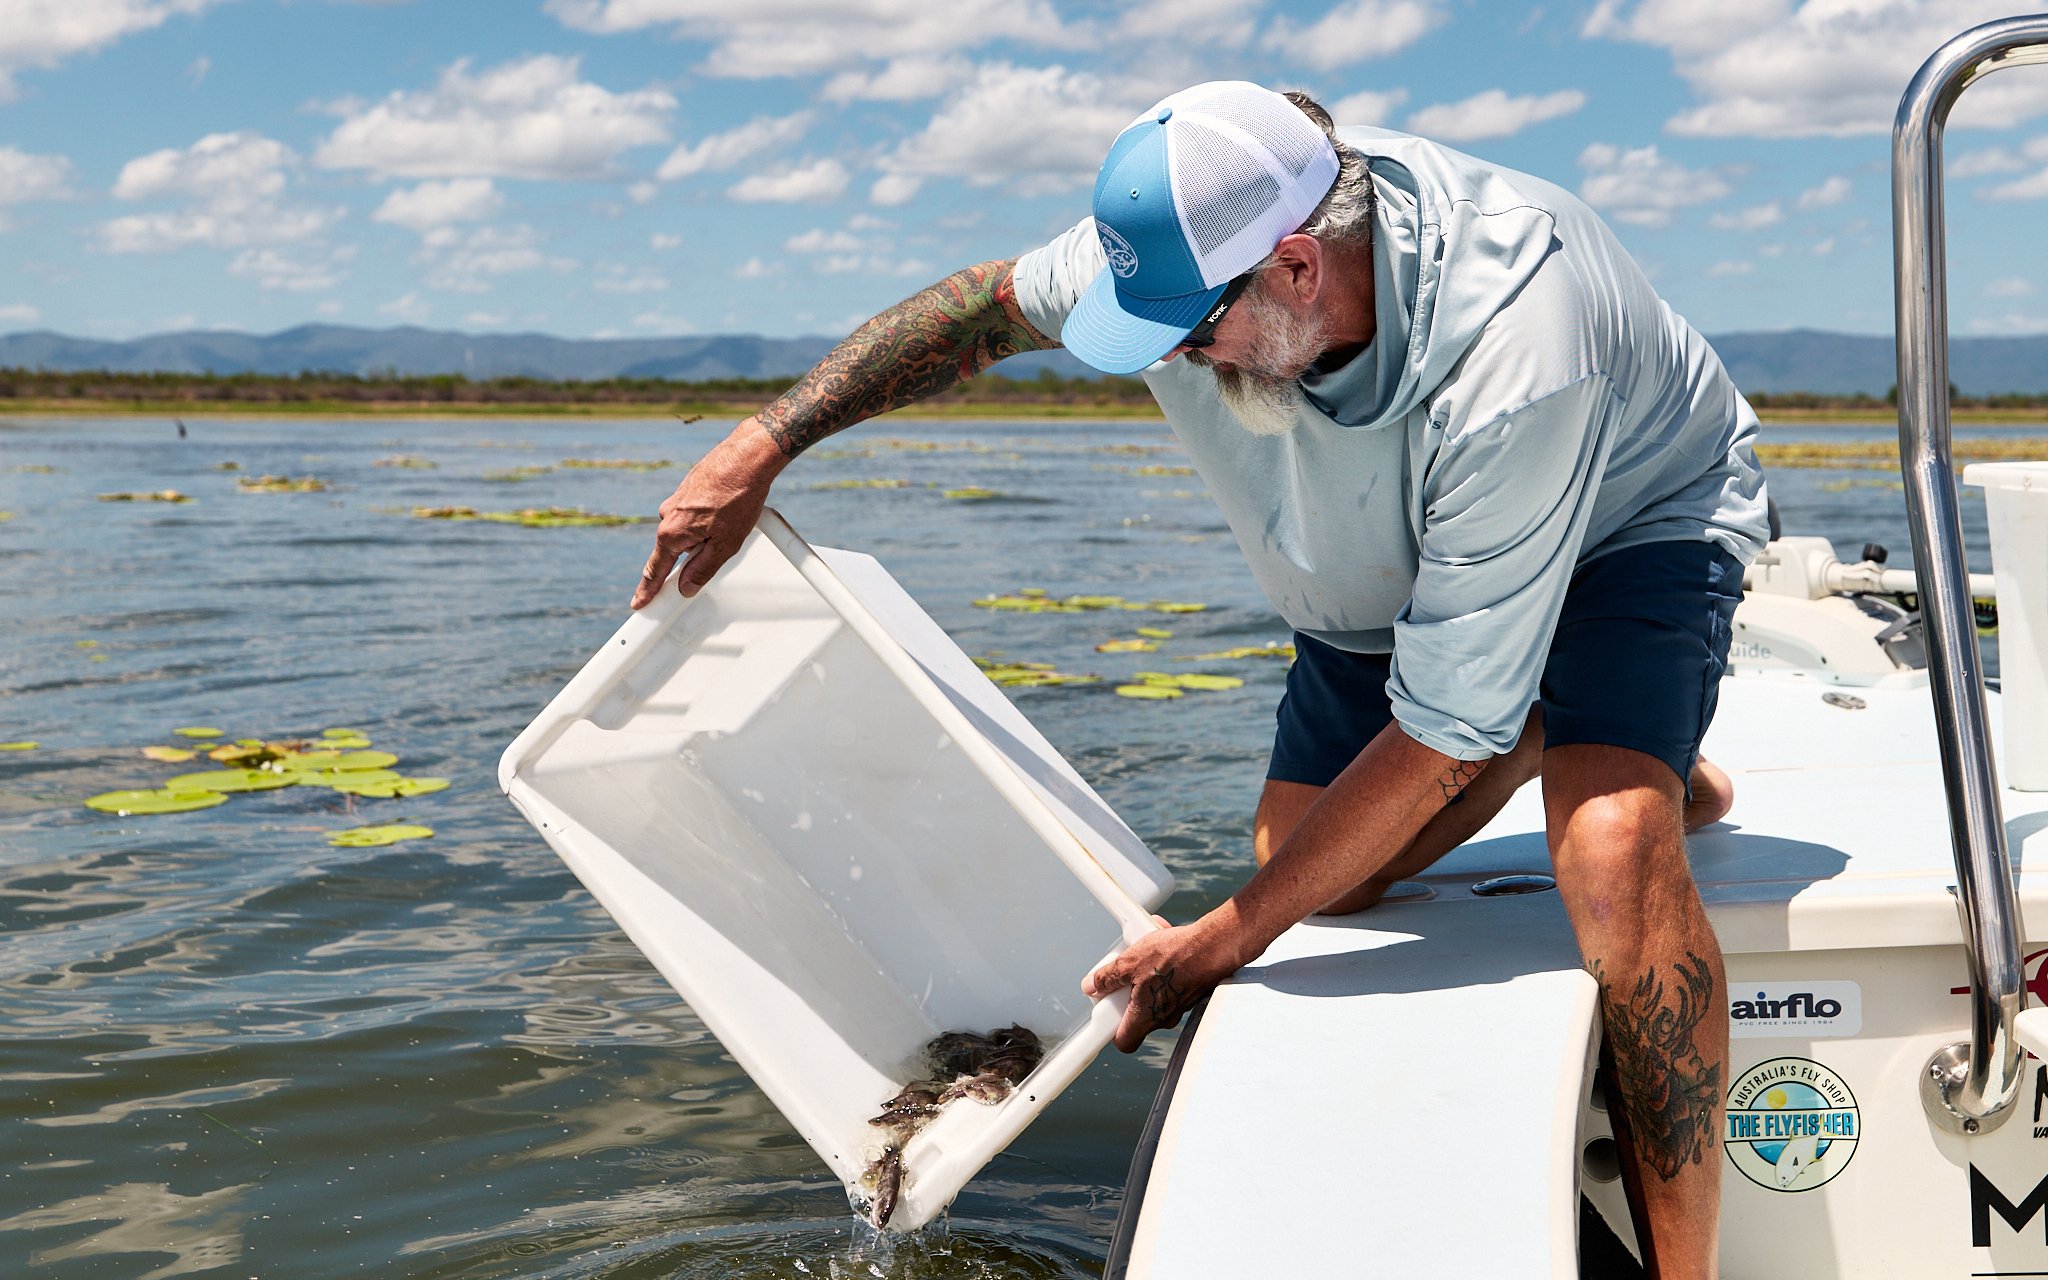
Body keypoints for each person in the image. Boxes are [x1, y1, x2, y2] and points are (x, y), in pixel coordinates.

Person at [633, 81, 1767, 1278]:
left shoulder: (1519, 343)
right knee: (1323, 873)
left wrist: (1218, 939)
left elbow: (1438, 738)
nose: (1168, 351)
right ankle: (1541, 719)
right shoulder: (1176, 247)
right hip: (1396, 560)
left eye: (1187, 326)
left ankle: (1682, 1264)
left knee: (1609, 854)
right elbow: (982, 304)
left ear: (1294, 267)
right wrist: (761, 444)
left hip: (1624, 525)